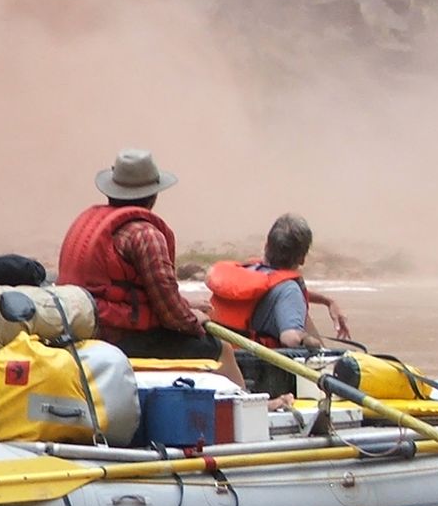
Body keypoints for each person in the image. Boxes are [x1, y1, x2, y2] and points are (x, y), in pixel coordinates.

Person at [57, 148, 242, 384]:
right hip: (120, 338)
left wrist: (184, 303)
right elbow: (172, 316)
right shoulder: (145, 235)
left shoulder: (90, 225)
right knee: (221, 349)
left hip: (81, 330)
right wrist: (195, 320)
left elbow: (133, 294)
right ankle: (245, 407)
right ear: (153, 196)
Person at [205, 213, 350, 400]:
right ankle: (326, 389)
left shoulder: (249, 271)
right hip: (254, 374)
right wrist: (309, 340)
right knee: (304, 331)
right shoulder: (289, 290)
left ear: (267, 245)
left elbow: (277, 291)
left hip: (217, 365)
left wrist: (326, 300)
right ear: (302, 259)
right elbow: (290, 338)